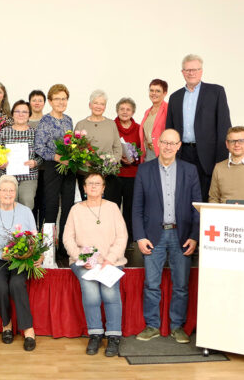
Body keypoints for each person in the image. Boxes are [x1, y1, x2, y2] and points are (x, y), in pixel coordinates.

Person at [132, 129, 201, 344]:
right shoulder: (144, 170)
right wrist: (140, 237)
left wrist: (194, 236)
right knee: (152, 284)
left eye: (173, 143)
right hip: (154, 235)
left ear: (179, 146)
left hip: (182, 235)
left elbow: (197, 207)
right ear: (158, 144)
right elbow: (137, 208)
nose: (169, 147)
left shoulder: (190, 171)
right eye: (165, 142)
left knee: (181, 285)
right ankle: (152, 325)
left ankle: (177, 326)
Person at [64, 172, 127, 357]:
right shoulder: (76, 210)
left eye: (97, 183)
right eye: (89, 183)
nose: (93, 186)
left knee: (109, 292)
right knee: (91, 293)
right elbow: (67, 238)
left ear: (103, 188)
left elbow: (122, 236)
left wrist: (110, 259)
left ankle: (114, 336)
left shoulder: (113, 208)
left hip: (110, 261)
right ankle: (96, 333)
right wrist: (81, 258)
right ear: (84, 188)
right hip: (84, 261)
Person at [0, 175, 39, 352]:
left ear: (16, 192)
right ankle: (6, 325)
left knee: (16, 283)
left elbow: (34, 238)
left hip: (21, 259)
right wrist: (4, 255)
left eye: (11, 190)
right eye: (4, 190)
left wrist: (30, 254)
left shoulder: (25, 211)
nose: (8, 193)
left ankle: (28, 329)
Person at [166, 54, 232, 201]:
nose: (191, 73)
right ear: (182, 72)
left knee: (206, 198)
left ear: (201, 71)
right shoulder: (175, 97)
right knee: (182, 198)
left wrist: (221, 160)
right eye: (188, 70)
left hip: (208, 157)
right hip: (182, 154)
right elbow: (169, 130)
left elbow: (224, 127)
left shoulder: (216, 92)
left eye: (195, 69)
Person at [34, 84, 75, 261]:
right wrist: (57, 157)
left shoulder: (68, 120)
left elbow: (72, 143)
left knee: (68, 207)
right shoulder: (45, 121)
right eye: (57, 98)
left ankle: (65, 248)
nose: (61, 102)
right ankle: (49, 250)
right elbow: (39, 148)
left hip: (69, 168)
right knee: (51, 208)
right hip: (53, 167)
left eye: (64, 98)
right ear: (50, 101)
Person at [74, 90, 122, 205]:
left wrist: (109, 165)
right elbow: (75, 151)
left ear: (105, 106)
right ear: (90, 105)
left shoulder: (111, 124)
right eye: (96, 103)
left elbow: (118, 149)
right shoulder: (81, 125)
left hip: (107, 175)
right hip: (86, 175)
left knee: (107, 208)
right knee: (88, 209)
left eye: (102, 104)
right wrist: (84, 163)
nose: (99, 106)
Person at [0, 100, 41, 210]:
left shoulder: (35, 133)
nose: (21, 114)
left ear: (29, 115)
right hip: (8, 177)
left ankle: (25, 227)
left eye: (24, 112)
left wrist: (35, 162)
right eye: (17, 111)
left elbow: (41, 156)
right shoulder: (3, 132)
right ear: (12, 114)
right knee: (8, 206)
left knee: (27, 203)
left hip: (29, 176)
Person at [115, 97, 141, 246]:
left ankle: (129, 239)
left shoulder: (138, 128)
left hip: (132, 175)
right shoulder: (111, 126)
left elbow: (142, 150)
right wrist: (119, 158)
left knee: (130, 209)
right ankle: (113, 238)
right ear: (117, 111)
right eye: (122, 109)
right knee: (114, 208)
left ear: (133, 112)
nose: (125, 112)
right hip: (115, 174)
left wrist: (134, 159)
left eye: (128, 109)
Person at [28, 90, 47, 226]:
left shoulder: (48, 121)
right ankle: (32, 235)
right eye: (34, 100)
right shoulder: (23, 121)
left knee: (45, 202)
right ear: (29, 102)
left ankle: (45, 237)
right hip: (28, 171)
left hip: (46, 169)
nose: (37, 103)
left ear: (45, 103)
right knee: (31, 203)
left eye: (40, 100)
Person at [139, 79, 169, 162]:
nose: (154, 93)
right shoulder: (147, 112)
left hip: (162, 153)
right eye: (151, 90)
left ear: (165, 93)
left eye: (158, 91)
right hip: (148, 153)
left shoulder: (168, 109)